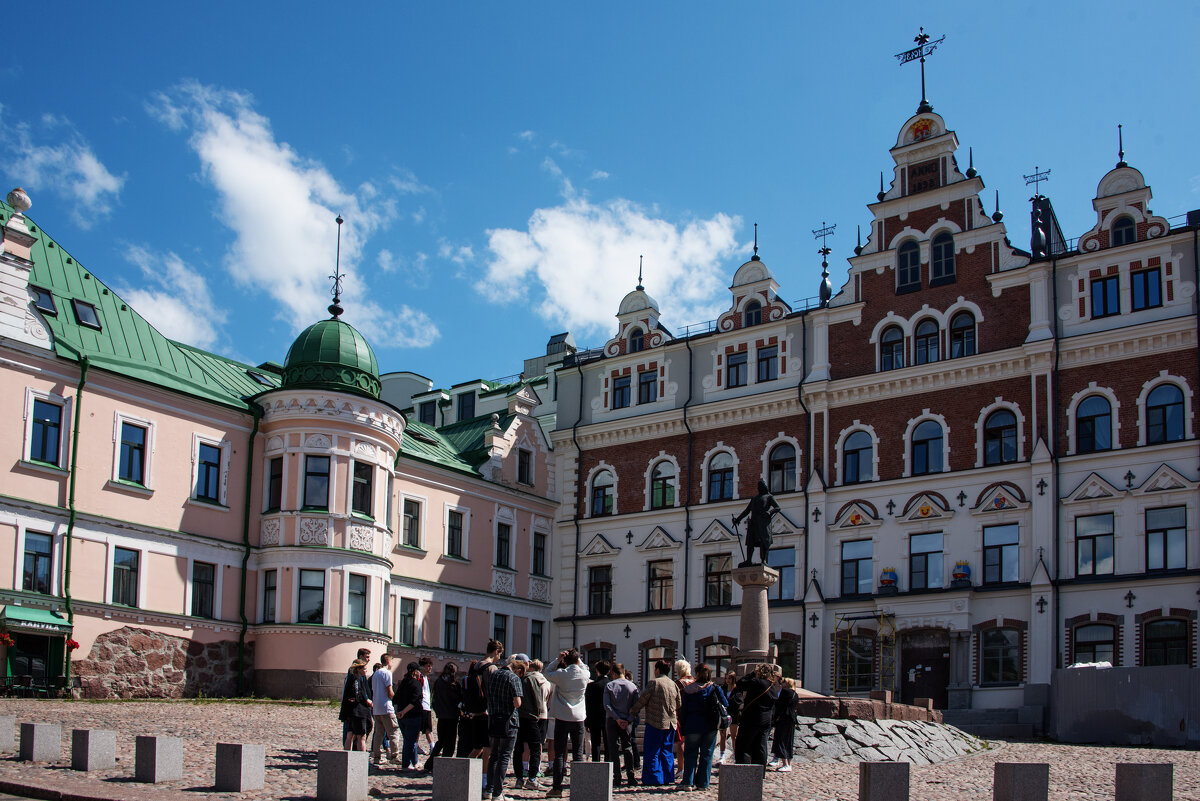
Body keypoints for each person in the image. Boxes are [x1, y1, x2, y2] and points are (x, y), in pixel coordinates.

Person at [544, 648, 590, 798]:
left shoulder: (561, 674)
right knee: (578, 754)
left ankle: (557, 787)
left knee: (559, 754)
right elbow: (585, 667)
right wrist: (577, 659)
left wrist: (558, 660)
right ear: (578, 660)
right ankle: (580, 786)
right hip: (578, 718)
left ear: (565, 661)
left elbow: (547, 672)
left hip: (562, 716)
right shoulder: (584, 674)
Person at [629, 658, 681, 786]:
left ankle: (654, 778)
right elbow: (679, 703)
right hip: (671, 723)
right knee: (667, 751)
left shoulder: (654, 683)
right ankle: (668, 776)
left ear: (657, 670)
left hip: (655, 721)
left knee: (653, 751)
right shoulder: (673, 684)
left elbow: (643, 699)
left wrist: (633, 711)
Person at [678, 664, 727, 790]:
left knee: (690, 754)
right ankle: (703, 784)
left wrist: (682, 726)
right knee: (707, 754)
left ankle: (688, 782)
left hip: (692, 725)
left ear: (697, 674)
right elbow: (725, 703)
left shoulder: (689, 690)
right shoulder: (715, 687)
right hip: (710, 725)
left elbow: (684, 711)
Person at [466, 640, 504, 792]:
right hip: (487, 712)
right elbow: (493, 691)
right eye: (500, 654)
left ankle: (464, 770)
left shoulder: (476, 666)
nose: (499, 657)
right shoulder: (492, 668)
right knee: (488, 747)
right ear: (496, 652)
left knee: (477, 746)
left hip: (474, 711)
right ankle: (484, 779)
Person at [485, 657, 525, 801]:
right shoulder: (513, 678)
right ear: (518, 670)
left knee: (493, 756)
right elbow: (517, 703)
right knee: (504, 757)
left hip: (494, 719)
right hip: (509, 721)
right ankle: (497, 793)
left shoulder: (493, 675)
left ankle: (488, 790)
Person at [514, 657, 549, 790]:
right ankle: (532, 778)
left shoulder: (515, 678)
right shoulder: (530, 679)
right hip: (530, 717)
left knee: (518, 749)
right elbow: (537, 699)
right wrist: (538, 713)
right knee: (535, 748)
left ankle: (519, 778)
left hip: (518, 718)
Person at [602, 661, 639, 787]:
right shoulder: (633, 687)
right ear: (623, 672)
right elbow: (636, 706)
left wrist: (617, 718)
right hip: (627, 721)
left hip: (612, 720)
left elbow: (607, 705)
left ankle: (616, 777)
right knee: (628, 748)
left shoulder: (609, 686)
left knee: (613, 749)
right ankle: (630, 776)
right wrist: (628, 719)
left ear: (613, 673)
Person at [733, 663, 774, 765]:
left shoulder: (756, 682)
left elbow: (740, 683)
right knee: (760, 746)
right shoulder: (772, 686)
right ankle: (759, 773)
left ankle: (744, 771)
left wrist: (751, 674)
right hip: (766, 719)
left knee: (744, 746)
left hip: (752, 718)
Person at [733, 479, 781, 566]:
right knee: (750, 542)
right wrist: (738, 519)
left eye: (761, 486)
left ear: (765, 487)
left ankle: (763, 561)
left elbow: (777, 507)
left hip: (763, 523)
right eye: (758, 486)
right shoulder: (754, 498)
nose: (759, 488)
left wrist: (769, 512)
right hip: (753, 522)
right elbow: (747, 510)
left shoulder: (769, 497)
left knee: (764, 541)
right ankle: (748, 560)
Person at [426, 663, 462, 769]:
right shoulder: (454, 683)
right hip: (452, 716)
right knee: (450, 742)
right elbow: (458, 699)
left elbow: (435, 698)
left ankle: (429, 764)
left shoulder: (439, 681)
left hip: (441, 715)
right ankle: (446, 764)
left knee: (441, 741)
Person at [369, 653, 401, 765]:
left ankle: (376, 756)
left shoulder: (376, 674)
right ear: (387, 661)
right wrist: (396, 699)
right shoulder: (387, 673)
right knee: (393, 731)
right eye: (391, 661)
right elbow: (389, 691)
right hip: (386, 707)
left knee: (379, 733)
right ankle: (394, 755)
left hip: (376, 707)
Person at [395, 662, 425, 771]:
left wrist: (398, 712)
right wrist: (403, 711)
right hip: (412, 716)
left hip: (402, 717)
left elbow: (396, 698)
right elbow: (415, 701)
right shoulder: (416, 684)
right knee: (409, 742)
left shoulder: (403, 683)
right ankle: (406, 764)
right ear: (416, 672)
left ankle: (414, 761)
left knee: (409, 740)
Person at [339, 659, 373, 751]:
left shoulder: (352, 678)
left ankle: (347, 757)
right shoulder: (356, 679)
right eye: (364, 668)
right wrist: (367, 701)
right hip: (358, 712)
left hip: (352, 711)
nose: (366, 671)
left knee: (350, 734)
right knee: (361, 737)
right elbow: (356, 694)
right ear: (359, 669)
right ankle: (361, 760)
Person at [770, 676, 799, 772]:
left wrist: (774, 719)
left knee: (780, 740)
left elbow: (779, 706)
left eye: (783, 682)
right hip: (791, 720)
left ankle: (784, 763)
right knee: (788, 741)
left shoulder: (785, 692)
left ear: (787, 684)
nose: (781, 683)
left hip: (783, 719)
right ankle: (789, 764)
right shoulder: (795, 694)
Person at [584, 660, 610, 762]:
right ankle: (609, 763)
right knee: (608, 743)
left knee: (596, 743)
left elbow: (588, 705)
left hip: (594, 718)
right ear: (608, 671)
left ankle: (596, 763)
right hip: (608, 717)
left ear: (597, 670)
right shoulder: (611, 685)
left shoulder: (591, 686)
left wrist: (587, 722)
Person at [672, 659, 694, 776]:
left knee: (681, 743)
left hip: (681, 715)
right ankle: (690, 768)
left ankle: (681, 768)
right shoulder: (694, 681)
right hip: (694, 715)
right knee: (692, 744)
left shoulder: (679, 683)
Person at [718, 670, 738, 763]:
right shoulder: (723, 688)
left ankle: (735, 754)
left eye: (729, 678)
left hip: (734, 714)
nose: (727, 680)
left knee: (734, 736)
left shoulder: (737, 689)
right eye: (726, 678)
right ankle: (722, 755)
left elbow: (738, 701)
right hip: (724, 714)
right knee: (723, 735)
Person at [418, 656, 435, 756]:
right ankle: (416, 746)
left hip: (427, 706)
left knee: (428, 728)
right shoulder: (420, 677)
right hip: (422, 706)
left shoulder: (425, 678)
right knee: (419, 728)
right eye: (428, 666)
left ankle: (432, 746)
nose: (430, 668)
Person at [625, 669, 641, 770]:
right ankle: (631, 762)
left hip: (633, 717)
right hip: (634, 716)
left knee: (632, 740)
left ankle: (636, 762)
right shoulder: (636, 687)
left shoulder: (633, 687)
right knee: (630, 740)